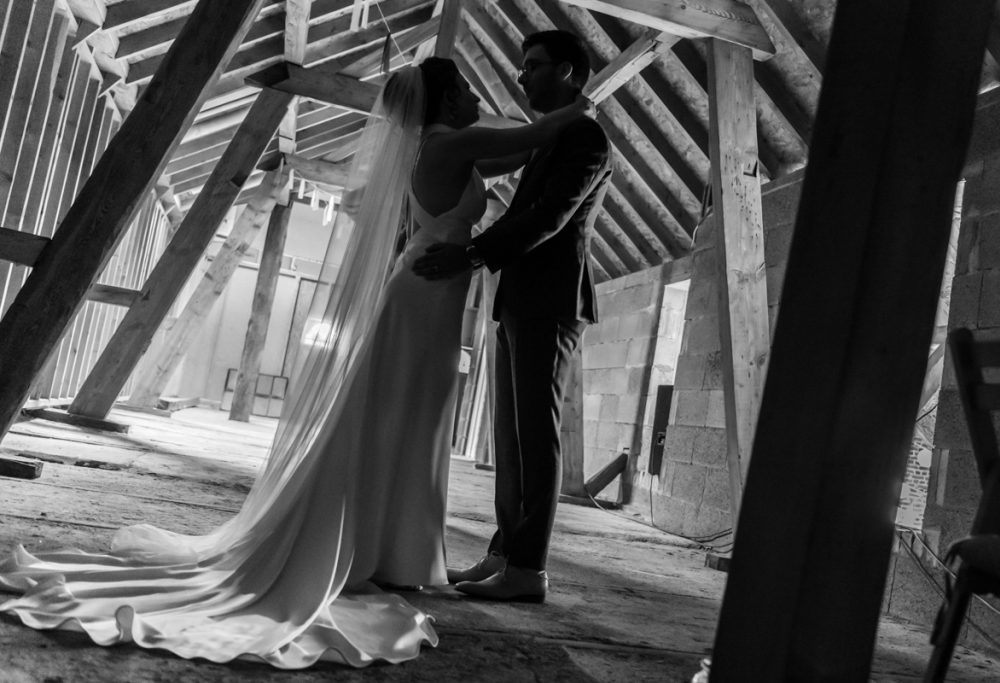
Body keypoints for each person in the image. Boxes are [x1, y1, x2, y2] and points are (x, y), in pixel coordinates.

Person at [0, 58, 591, 669]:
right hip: (424, 294)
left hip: (430, 292)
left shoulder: (442, 147)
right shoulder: (454, 142)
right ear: (444, 104)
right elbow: (531, 139)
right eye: (467, 88)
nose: (477, 96)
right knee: (407, 412)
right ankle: (388, 547)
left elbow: (516, 157)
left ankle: (392, 547)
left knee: (412, 414)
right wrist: (579, 104)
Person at [413, 31, 612, 603]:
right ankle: (503, 553)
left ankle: (528, 570)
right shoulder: (551, 139)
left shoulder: (585, 138)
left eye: (533, 66)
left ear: (568, 72)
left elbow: (548, 219)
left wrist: (472, 256)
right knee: (510, 438)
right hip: (521, 299)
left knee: (535, 438)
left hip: (552, 303)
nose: (521, 76)